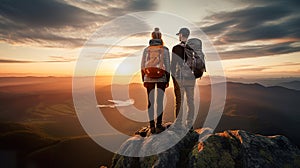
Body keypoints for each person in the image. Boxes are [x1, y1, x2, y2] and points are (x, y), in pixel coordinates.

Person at [141, 28, 170, 134]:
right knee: (159, 102)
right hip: (161, 78)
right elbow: (167, 65)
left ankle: (152, 126)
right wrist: (167, 79)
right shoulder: (165, 49)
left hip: (148, 78)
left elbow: (142, 65)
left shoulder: (146, 50)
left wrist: (143, 79)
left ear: (152, 37)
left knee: (150, 102)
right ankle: (159, 125)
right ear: (160, 37)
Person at [171, 27, 195, 130]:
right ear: (188, 35)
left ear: (181, 35)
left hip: (180, 78)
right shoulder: (193, 48)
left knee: (179, 101)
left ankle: (178, 124)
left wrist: (173, 78)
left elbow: (173, 65)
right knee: (190, 101)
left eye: (179, 35)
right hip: (191, 78)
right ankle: (189, 125)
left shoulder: (176, 48)